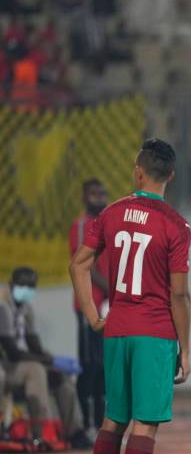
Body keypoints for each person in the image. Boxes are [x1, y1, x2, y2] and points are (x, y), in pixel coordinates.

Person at [70, 138, 191, 454]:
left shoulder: (111, 213)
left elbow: (79, 264)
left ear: (137, 171)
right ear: (170, 175)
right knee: (145, 422)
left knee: (112, 419)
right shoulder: (175, 225)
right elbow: (179, 294)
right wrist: (185, 350)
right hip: (154, 332)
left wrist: (92, 314)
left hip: (116, 329)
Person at [0, 267, 90, 449]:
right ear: (12, 285)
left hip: (24, 365)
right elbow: (12, 351)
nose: (27, 290)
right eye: (23, 285)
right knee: (36, 369)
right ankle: (41, 432)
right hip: (7, 366)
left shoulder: (27, 309)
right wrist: (43, 361)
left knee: (61, 377)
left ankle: (74, 431)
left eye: (31, 286)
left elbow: (34, 344)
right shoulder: (4, 308)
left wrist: (53, 361)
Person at [69, 178, 109, 437]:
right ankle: (87, 424)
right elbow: (84, 265)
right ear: (85, 197)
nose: (100, 198)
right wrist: (109, 287)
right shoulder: (82, 225)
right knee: (89, 364)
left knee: (105, 365)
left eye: (102, 193)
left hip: (107, 304)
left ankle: (100, 421)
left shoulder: (108, 223)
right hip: (89, 303)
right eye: (94, 194)